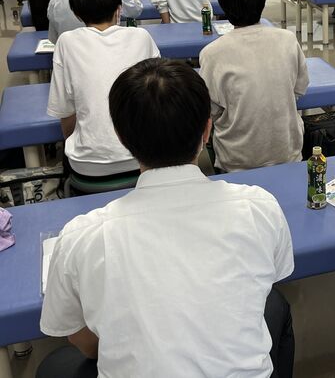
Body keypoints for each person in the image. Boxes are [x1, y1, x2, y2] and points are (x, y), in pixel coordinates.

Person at [38, 59, 295, 378]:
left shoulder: (82, 236)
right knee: (274, 306)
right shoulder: (259, 207)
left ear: (120, 136)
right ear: (207, 129)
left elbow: (80, 339)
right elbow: (267, 281)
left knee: (55, 366)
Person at [47, 0, 160, 181]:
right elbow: (158, 97)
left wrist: (79, 142)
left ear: (76, 14)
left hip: (88, 166)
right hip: (145, 157)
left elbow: (65, 114)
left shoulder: (66, 42)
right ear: (119, 9)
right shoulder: (141, 36)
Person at [199, 0, 309, 172]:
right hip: (288, 153)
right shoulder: (287, 39)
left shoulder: (211, 53)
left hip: (237, 162)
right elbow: (300, 89)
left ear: (223, 7)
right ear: (263, 2)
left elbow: (209, 110)